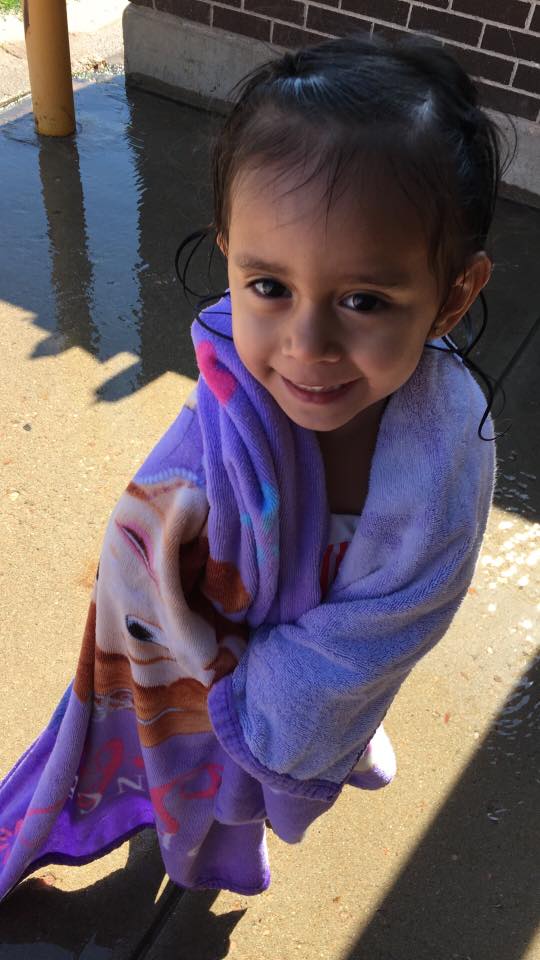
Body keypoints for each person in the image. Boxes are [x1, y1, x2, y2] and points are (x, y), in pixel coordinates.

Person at [0, 35, 504, 900]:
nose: (308, 345)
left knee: (307, 719)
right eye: (268, 286)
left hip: (305, 684)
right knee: (193, 783)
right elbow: (135, 587)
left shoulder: (448, 451)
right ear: (229, 251)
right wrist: (231, 690)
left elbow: (399, 617)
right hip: (205, 681)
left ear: (453, 295)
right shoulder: (207, 455)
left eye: (364, 300)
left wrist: (306, 711)